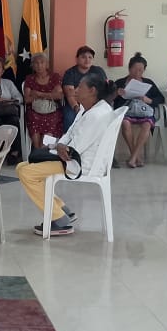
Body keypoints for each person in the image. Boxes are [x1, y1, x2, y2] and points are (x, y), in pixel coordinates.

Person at [17, 73, 116, 236]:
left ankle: (58, 219)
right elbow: (70, 134)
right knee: (22, 166)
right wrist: (59, 145)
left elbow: (73, 149)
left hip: (79, 163)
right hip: (73, 157)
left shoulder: (96, 115)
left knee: (26, 172)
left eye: (80, 87)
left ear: (92, 91)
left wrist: (60, 147)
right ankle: (63, 210)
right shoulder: (88, 109)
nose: (75, 90)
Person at [113, 52, 164, 168]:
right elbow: (109, 98)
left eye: (141, 70)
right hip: (127, 112)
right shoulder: (120, 82)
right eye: (135, 69)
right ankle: (135, 156)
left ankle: (133, 157)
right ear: (129, 68)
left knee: (147, 125)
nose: (137, 73)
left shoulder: (148, 83)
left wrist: (149, 100)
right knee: (125, 123)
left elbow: (161, 98)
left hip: (144, 112)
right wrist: (116, 93)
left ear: (144, 70)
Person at [23, 52, 64, 150]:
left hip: (52, 110)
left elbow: (59, 95)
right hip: (34, 110)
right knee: (33, 118)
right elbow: (27, 99)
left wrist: (39, 94)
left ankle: (45, 148)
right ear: (32, 65)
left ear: (47, 64)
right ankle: (37, 149)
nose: (39, 65)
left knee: (53, 119)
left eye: (42, 62)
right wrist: (50, 95)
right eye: (36, 63)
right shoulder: (30, 79)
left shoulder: (55, 77)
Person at [61, 45, 106, 131]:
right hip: (75, 104)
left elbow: (104, 88)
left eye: (90, 57)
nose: (87, 60)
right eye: (83, 57)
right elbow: (70, 94)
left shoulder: (98, 71)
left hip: (95, 103)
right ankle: (68, 139)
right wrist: (76, 108)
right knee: (69, 116)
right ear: (77, 59)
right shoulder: (70, 73)